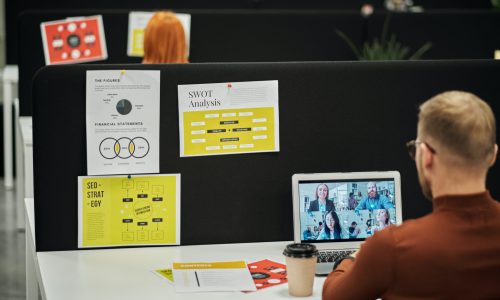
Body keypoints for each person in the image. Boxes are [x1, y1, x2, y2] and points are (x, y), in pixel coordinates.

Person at [323, 91, 500, 299]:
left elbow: (333, 297)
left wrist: (353, 258)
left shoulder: (391, 247)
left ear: (425, 156)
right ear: (492, 155)